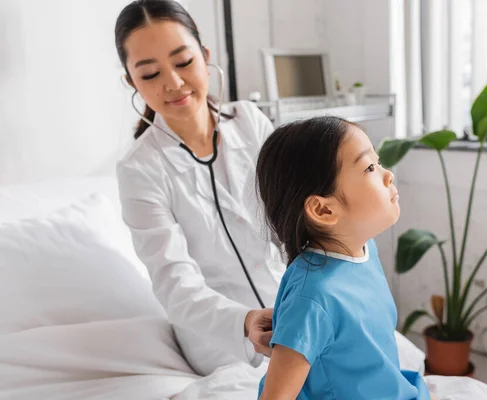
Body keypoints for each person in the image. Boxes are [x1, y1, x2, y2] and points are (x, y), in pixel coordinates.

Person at [114, 0, 283, 375]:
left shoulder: (250, 122)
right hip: (223, 340)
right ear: (131, 82)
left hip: (294, 303)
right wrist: (243, 322)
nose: (172, 83)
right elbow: (175, 284)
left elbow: (295, 214)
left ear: (205, 56)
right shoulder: (139, 170)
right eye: (149, 73)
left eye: (183, 62)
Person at [255, 116, 437, 400]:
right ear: (323, 210)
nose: (388, 174)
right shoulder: (313, 299)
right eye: (370, 168)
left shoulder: (365, 250)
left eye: (377, 162)